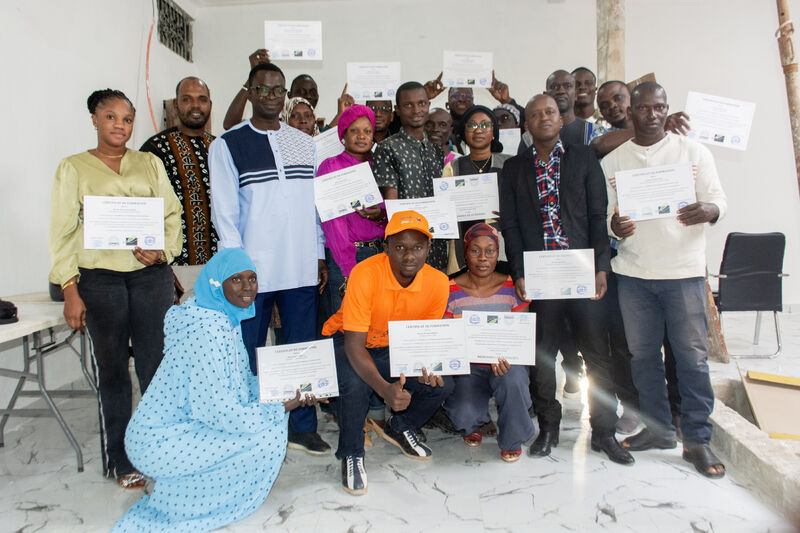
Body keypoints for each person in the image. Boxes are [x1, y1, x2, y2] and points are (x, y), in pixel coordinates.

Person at [113, 249, 321, 532]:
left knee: (268, 420)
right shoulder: (207, 333)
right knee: (265, 435)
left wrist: (282, 387)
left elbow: (240, 383)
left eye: (252, 278)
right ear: (216, 284)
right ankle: (182, 498)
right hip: (158, 444)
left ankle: (176, 485)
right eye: (237, 279)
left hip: (183, 427)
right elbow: (219, 412)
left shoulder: (222, 319)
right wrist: (281, 406)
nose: (248, 287)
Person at [49, 89, 182, 488]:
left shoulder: (149, 163)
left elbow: (171, 214)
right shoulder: (73, 168)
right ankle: (121, 460)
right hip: (99, 280)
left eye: (126, 119)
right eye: (110, 118)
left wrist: (163, 252)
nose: (119, 126)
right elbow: (61, 233)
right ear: (94, 119)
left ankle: (159, 450)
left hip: (149, 277)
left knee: (155, 367)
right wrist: (70, 288)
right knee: (112, 371)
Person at [602, 82, 727, 478]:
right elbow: (608, 217)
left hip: (683, 273)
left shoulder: (693, 153)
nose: (652, 115)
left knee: (691, 359)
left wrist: (707, 209)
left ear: (666, 109)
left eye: (659, 108)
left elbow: (719, 201)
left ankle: (697, 440)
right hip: (634, 275)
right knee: (643, 360)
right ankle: (657, 431)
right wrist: (616, 226)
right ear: (631, 111)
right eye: (644, 108)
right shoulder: (615, 161)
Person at [500, 94, 633, 465]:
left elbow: (597, 215)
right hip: (541, 277)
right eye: (535, 114)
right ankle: (547, 427)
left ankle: (603, 432)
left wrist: (601, 267)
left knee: (596, 353)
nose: (543, 118)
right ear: (526, 124)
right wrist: (519, 272)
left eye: (550, 112)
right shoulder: (513, 169)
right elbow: (510, 225)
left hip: (581, 271)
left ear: (562, 120)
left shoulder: (585, 159)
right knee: (542, 357)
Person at [210, 62, 330, 455]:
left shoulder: (304, 143)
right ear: (249, 90)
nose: (271, 97)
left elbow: (313, 207)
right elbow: (224, 212)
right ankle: (245, 425)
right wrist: (235, 267)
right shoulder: (227, 144)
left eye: (278, 90)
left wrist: (317, 254)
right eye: (262, 89)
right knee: (246, 350)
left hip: (298, 266)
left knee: (301, 347)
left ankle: (302, 425)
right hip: (252, 271)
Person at [321, 210, 455, 495]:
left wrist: (430, 366)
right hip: (350, 342)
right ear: (386, 248)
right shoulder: (365, 273)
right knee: (355, 384)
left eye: (418, 247)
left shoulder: (438, 282)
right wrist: (385, 390)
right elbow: (354, 345)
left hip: (398, 347)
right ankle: (351, 452)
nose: (409, 256)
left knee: (443, 384)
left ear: (429, 248)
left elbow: (424, 340)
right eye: (400, 248)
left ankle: (400, 425)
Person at [442, 223, 534, 463]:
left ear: (498, 253)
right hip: (468, 367)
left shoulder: (513, 287)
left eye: (490, 251)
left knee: (513, 379)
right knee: (464, 415)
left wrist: (507, 355)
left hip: (506, 362)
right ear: (465, 252)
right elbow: (447, 338)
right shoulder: (449, 290)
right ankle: (476, 420)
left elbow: (521, 335)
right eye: (475, 251)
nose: (483, 258)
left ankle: (512, 438)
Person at [140, 77, 217, 281]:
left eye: (201, 99)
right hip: (174, 264)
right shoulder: (155, 149)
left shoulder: (220, 148)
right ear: (176, 104)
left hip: (218, 262)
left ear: (210, 104)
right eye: (187, 99)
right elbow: (144, 204)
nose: (195, 106)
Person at [374, 81, 448, 272]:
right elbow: (392, 207)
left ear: (428, 105)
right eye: (408, 105)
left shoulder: (436, 149)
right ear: (397, 109)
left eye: (422, 103)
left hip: (436, 243)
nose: (416, 110)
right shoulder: (387, 148)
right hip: (406, 249)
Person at [442, 104, 510, 270]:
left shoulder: (509, 164)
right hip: (461, 245)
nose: (478, 130)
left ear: (494, 132)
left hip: (501, 246)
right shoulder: (453, 167)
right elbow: (444, 211)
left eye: (485, 125)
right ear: (464, 132)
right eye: (472, 125)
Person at [572, 67, 609, 134]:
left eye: (588, 83)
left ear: (595, 90)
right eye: (577, 84)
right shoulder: (560, 124)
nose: (582, 87)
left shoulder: (607, 123)